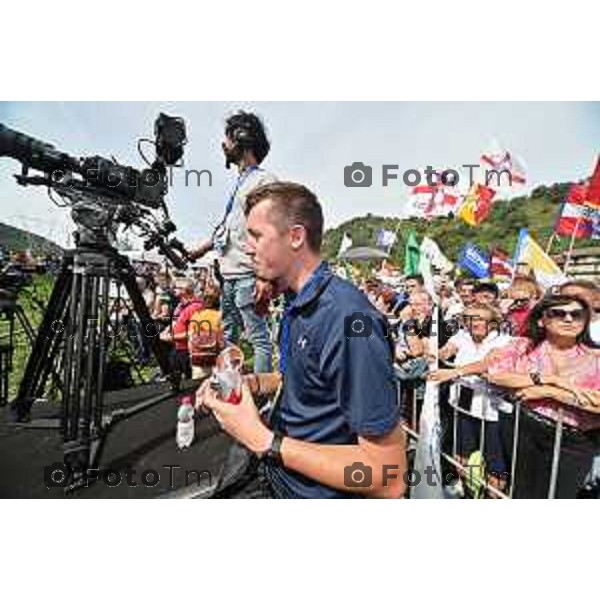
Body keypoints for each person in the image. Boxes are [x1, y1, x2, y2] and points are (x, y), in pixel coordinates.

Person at [196, 182, 406, 499]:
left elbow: (387, 478)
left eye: (255, 235)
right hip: (272, 474)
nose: (247, 248)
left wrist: (262, 439)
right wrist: (251, 384)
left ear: (295, 237)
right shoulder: (297, 302)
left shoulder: (350, 321)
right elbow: (308, 379)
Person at [485, 294, 600, 498]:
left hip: (573, 440)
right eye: (558, 313)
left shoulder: (595, 358)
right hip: (524, 427)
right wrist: (547, 379)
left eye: (577, 315)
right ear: (541, 319)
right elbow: (495, 374)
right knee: (521, 492)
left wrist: (550, 392)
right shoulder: (522, 347)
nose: (568, 319)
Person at [189, 110, 274, 373]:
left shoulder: (263, 180)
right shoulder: (240, 183)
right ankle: (231, 388)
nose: (223, 145)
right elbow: (229, 228)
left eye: (227, 138)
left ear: (242, 138)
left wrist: (264, 276)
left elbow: (269, 231)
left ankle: (260, 401)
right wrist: (200, 249)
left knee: (258, 337)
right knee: (228, 335)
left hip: (248, 274)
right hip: (229, 274)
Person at [428, 304, 513, 489]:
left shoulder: (505, 341)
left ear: (492, 323)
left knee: (495, 464)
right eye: (466, 318)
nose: (471, 322)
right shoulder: (462, 335)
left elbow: (487, 363)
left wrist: (455, 372)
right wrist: (436, 355)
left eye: (477, 318)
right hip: (462, 405)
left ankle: (495, 493)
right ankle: (467, 490)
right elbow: (447, 350)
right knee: (461, 455)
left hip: (491, 411)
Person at [159, 278, 203, 379]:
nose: (173, 290)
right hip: (178, 347)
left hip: (188, 350)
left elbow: (195, 332)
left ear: (185, 290)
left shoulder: (195, 307)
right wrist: (166, 331)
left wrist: (173, 337)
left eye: (176, 287)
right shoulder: (180, 306)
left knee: (189, 380)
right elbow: (175, 321)